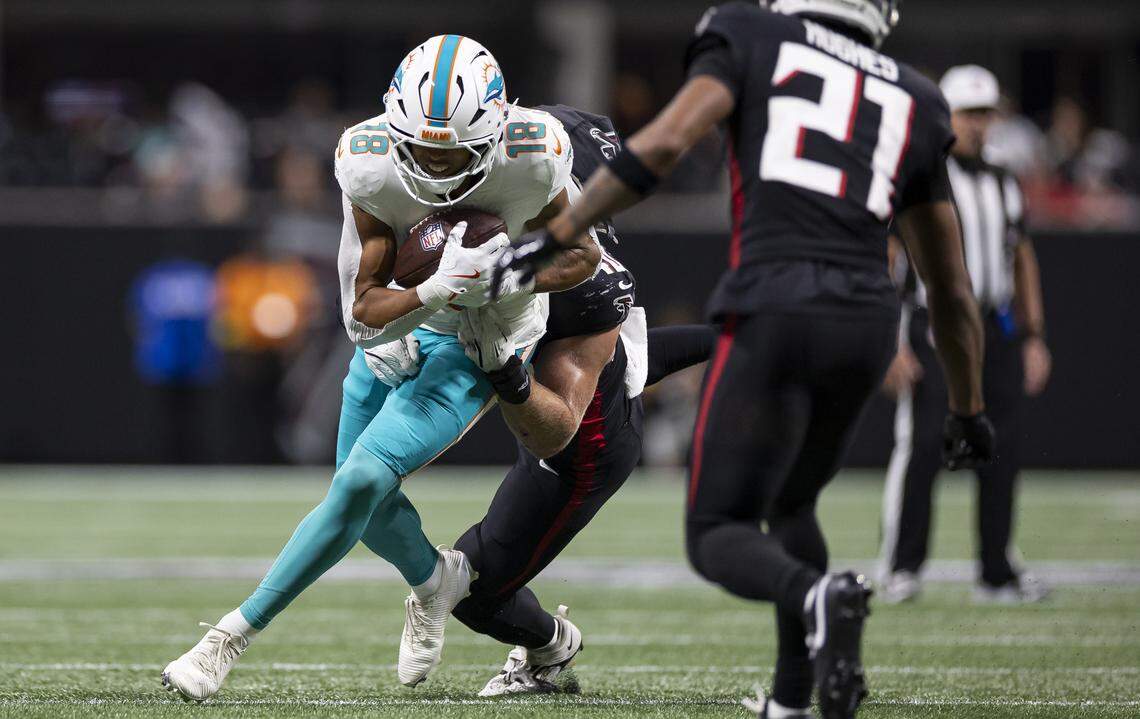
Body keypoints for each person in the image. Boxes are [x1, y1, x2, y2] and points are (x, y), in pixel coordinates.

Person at [492, 3, 995, 717]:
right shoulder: (915, 94)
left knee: (716, 531)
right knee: (794, 503)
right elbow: (949, 285)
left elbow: (662, 145)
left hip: (776, 299)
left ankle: (815, 595)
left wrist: (563, 230)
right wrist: (969, 405)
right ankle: (791, 700)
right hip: (867, 320)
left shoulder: (753, 32)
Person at [160, 34, 601, 701]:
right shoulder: (368, 161)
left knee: (360, 478)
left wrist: (506, 272)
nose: (432, 161)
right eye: (420, 146)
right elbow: (361, 300)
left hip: (485, 330)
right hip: (402, 315)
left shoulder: (533, 154)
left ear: (491, 133)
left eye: (450, 150)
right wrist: (419, 297)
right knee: (358, 497)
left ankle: (228, 636)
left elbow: (583, 257)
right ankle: (437, 581)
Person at [878, 65, 1051, 605]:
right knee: (924, 445)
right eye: (969, 113)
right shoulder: (920, 174)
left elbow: (1021, 255)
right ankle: (902, 566)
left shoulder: (1003, 179)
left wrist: (1033, 334)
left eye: (985, 113)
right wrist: (891, 340)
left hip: (994, 326)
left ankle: (996, 571)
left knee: (1001, 449)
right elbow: (886, 260)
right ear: (945, 115)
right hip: (932, 326)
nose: (978, 125)